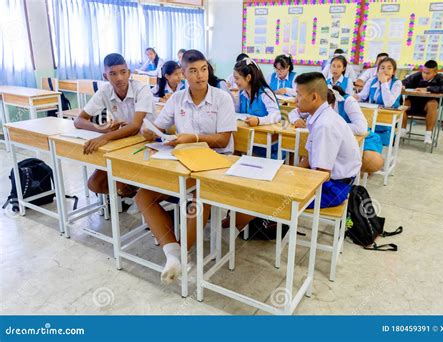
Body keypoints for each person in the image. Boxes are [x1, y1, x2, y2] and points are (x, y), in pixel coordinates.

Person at [135, 50, 236, 284]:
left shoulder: (222, 98)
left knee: (197, 200)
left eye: (203, 69)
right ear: (183, 74)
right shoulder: (177, 98)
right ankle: (173, 254)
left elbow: (223, 140)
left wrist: (194, 138)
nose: (200, 76)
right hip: (182, 159)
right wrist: (150, 130)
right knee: (143, 196)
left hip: (216, 160)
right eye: (193, 71)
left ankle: (182, 254)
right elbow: (159, 126)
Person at [224, 72, 361, 237]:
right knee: (264, 181)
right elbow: (309, 157)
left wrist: (288, 185)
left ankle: (238, 230)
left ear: (314, 97)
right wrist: (288, 174)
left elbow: (321, 175)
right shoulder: (319, 117)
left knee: (266, 194)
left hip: (333, 188)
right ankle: (241, 222)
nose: (295, 100)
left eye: (299, 95)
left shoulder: (325, 125)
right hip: (329, 181)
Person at [74, 53, 154, 195]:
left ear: (129, 73)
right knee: (94, 184)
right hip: (123, 141)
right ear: (105, 77)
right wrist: (101, 129)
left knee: (119, 181)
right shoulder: (104, 91)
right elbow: (78, 120)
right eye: (113, 74)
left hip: (147, 142)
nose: (119, 78)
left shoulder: (141, 89)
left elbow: (135, 126)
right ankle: (130, 194)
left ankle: (135, 193)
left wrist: (106, 137)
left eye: (123, 72)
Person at [401, 59, 443, 144]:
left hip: (427, 107)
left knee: (433, 104)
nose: (424, 75)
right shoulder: (417, 75)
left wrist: (428, 89)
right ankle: (402, 130)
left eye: (428, 73)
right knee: (404, 103)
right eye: (423, 72)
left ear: (435, 73)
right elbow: (403, 82)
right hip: (413, 103)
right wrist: (402, 85)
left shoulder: (441, 78)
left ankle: (428, 135)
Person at [354, 57, 402, 147]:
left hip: (387, 118)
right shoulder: (372, 80)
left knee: (376, 141)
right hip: (372, 115)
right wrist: (355, 97)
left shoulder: (397, 83)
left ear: (394, 71)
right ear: (378, 70)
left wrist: (384, 82)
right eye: (382, 68)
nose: (385, 71)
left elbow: (389, 103)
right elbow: (362, 96)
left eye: (389, 68)